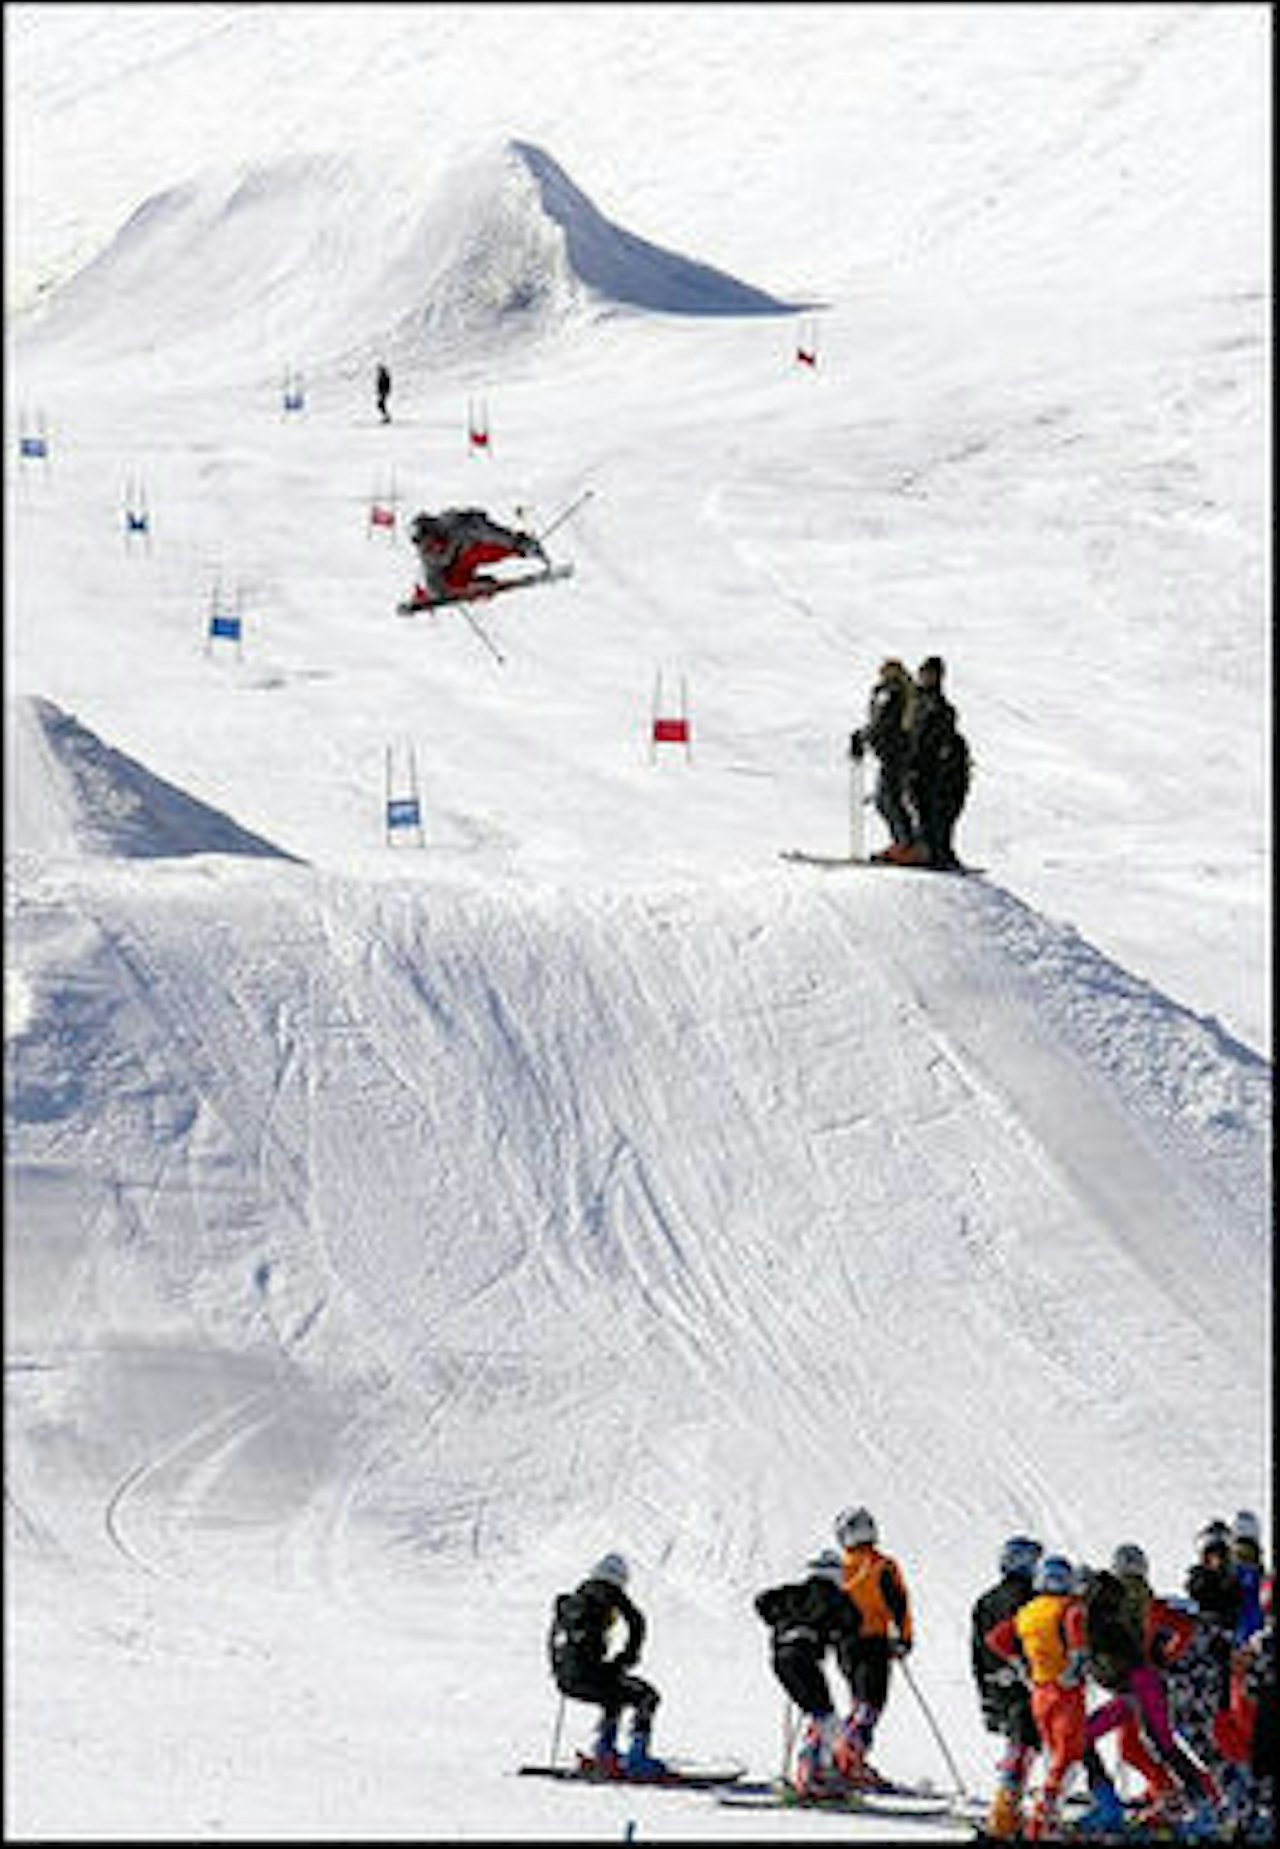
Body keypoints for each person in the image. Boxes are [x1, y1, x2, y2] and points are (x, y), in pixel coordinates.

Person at [1083, 1543, 1219, 1834]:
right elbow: (1184, 1628)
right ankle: (1174, 1793)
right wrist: (1164, 1657)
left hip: (1136, 1684)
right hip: (1144, 1683)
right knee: (1138, 1746)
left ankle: (1192, 1795)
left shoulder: (1113, 1599)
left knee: (1144, 1744)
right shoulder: (1151, 1601)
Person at [985, 1553, 1090, 1840]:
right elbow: (1079, 1646)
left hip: (1039, 1692)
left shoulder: (1027, 1611)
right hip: (1066, 1692)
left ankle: (1021, 1814)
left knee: (1053, 1755)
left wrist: (1021, 1664)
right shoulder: (1071, 1608)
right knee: (1067, 1757)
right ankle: (1044, 1818)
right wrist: (1075, 1669)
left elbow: (996, 1639)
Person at [755, 1548, 864, 1797]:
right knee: (826, 1718)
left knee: (817, 1713)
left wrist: (783, 1620)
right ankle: (815, 1774)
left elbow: (762, 1602)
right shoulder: (835, 1595)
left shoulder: (792, 1591)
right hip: (804, 1658)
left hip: (781, 1658)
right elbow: (853, 1621)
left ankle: (813, 1770)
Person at [546, 1552, 666, 1778]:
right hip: (590, 1677)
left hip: (565, 1680)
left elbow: (555, 1642)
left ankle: (605, 1753)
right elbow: (637, 1622)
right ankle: (636, 1760)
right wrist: (627, 1657)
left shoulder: (572, 1601)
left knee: (614, 1695)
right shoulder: (608, 1591)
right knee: (647, 1696)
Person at [830, 1506, 914, 1788]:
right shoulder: (881, 1565)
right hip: (874, 1642)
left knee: (858, 1702)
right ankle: (847, 1760)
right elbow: (899, 1604)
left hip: (844, 1644)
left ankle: (846, 1756)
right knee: (870, 1705)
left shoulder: (839, 1567)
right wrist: (904, 1637)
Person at [970, 1535, 1044, 1838]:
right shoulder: (1032, 1599)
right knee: (1025, 1741)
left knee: (1019, 1741)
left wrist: (985, 1694)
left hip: (996, 1683)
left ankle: (1009, 1805)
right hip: (1028, 1681)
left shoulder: (985, 1600)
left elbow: (976, 1653)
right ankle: (1006, 1809)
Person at [903, 656, 970, 870]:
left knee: (932, 811)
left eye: (929, 674)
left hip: (931, 769)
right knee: (920, 808)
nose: (924, 677)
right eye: (923, 673)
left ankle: (935, 852)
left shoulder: (939, 707)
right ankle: (928, 850)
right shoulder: (916, 702)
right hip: (918, 766)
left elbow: (934, 741)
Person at [408, 506, 545, 604]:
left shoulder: (456, 526)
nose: (432, 547)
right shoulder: (427, 553)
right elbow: (432, 575)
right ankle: (477, 584)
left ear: (435, 531)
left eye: (431, 542)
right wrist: (437, 593)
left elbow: (491, 534)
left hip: (475, 544)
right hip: (460, 561)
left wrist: (518, 544)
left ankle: (526, 547)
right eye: (426, 546)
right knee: (451, 580)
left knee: (488, 550)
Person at [849, 659, 916, 853]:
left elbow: (884, 723)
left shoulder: (894, 694)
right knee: (887, 799)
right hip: (891, 754)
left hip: (896, 753)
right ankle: (903, 842)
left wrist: (864, 736)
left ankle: (906, 844)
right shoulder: (890, 692)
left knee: (889, 799)